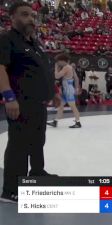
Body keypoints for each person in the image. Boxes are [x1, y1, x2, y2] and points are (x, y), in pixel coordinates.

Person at [0, 2, 57, 203]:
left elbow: (44, 72)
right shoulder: (7, 39)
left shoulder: (34, 43)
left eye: (32, 15)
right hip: (21, 103)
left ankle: (37, 172)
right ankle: (11, 190)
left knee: (37, 141)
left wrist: (54, 93)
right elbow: (0, 68)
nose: (30, 19)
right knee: (19, 145)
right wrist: (8, 97)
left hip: (39, 104)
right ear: (12, 17)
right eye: (25, 15)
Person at [47, 54, 81, 128]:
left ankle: (78, 123)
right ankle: (55, 121)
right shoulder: (70, 67)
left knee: (73, 106)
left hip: (68, 89)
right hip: (68, 88)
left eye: (58, 61)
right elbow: (76, 78)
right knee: (61, 105)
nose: (58, 63)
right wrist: (76, 88)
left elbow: (57, 76)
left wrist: (56, 68)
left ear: (62, 61)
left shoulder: (66, 67)